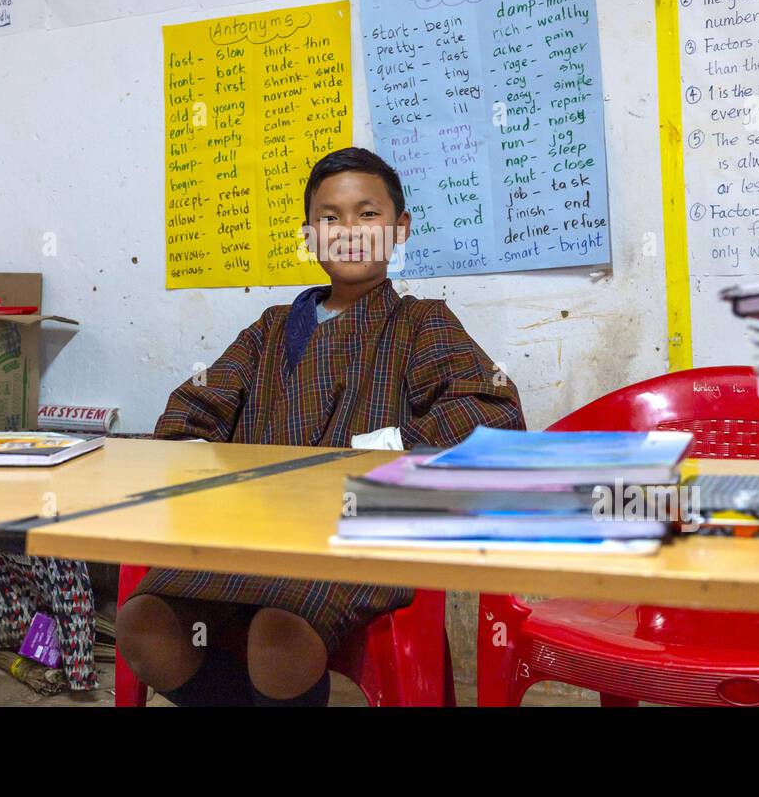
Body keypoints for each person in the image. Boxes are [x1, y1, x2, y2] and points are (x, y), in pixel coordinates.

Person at [116, 147, 525, 706]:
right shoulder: (271, 327)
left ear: (400, 229)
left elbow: (490, 410)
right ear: (309, 235)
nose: (348, 230)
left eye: (368, 214)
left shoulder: (420, 321)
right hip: (249, 529)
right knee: (144, 624)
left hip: (357, 530)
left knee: (278, 634)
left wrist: (378, 451)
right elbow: (198, 405)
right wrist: (193, 457)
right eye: (329, 217)